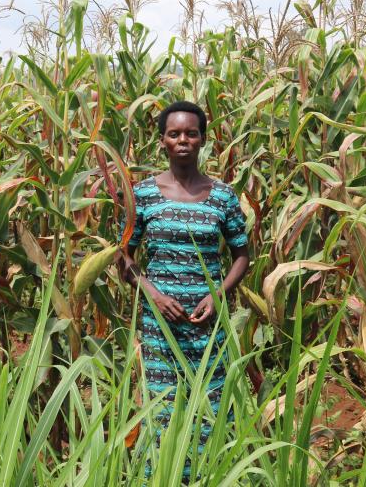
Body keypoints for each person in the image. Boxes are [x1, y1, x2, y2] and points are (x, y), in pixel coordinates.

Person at [119, 100, 250, 481]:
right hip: (160, 327)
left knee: (209, 413)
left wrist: (219, 293)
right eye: (174, 133)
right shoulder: (142, 194)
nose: (183, 140)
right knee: (161, 413)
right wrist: (153, 295)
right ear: (161, 140)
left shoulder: (223, 196)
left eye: (191, 133)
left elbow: (242, 255)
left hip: (207, 328)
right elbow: (123, 257)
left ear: (203, 140)